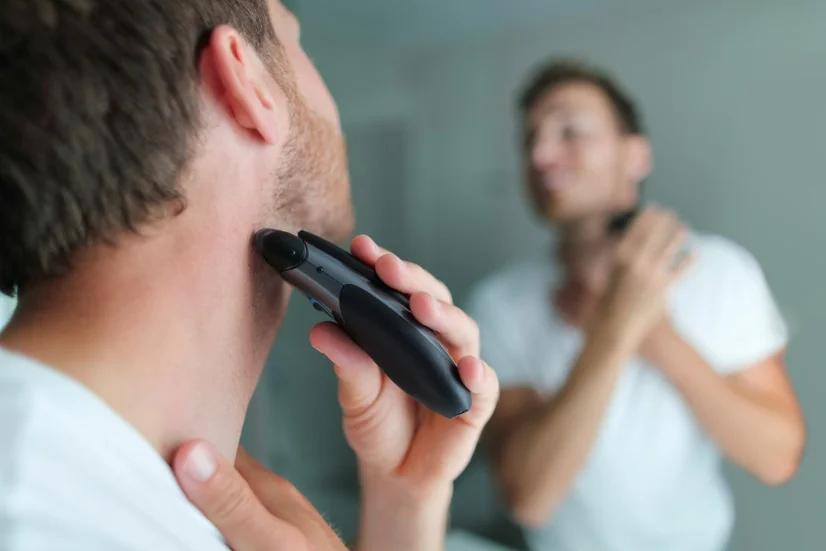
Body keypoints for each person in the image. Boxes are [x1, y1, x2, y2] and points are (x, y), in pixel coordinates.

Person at [0, 2, 499, 550]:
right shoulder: (34, 512)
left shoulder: (73, 473)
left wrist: (404, 498)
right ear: (245, 83)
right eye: (297, 39)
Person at [467, 60, 806, 551]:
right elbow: (529, 498)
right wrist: (614, 328)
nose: (541, 154)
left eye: (570, 130)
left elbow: (776, 458)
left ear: (636, 156)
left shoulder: (721, 272)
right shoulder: (501, 304)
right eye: (530, 139)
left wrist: (651, 332)